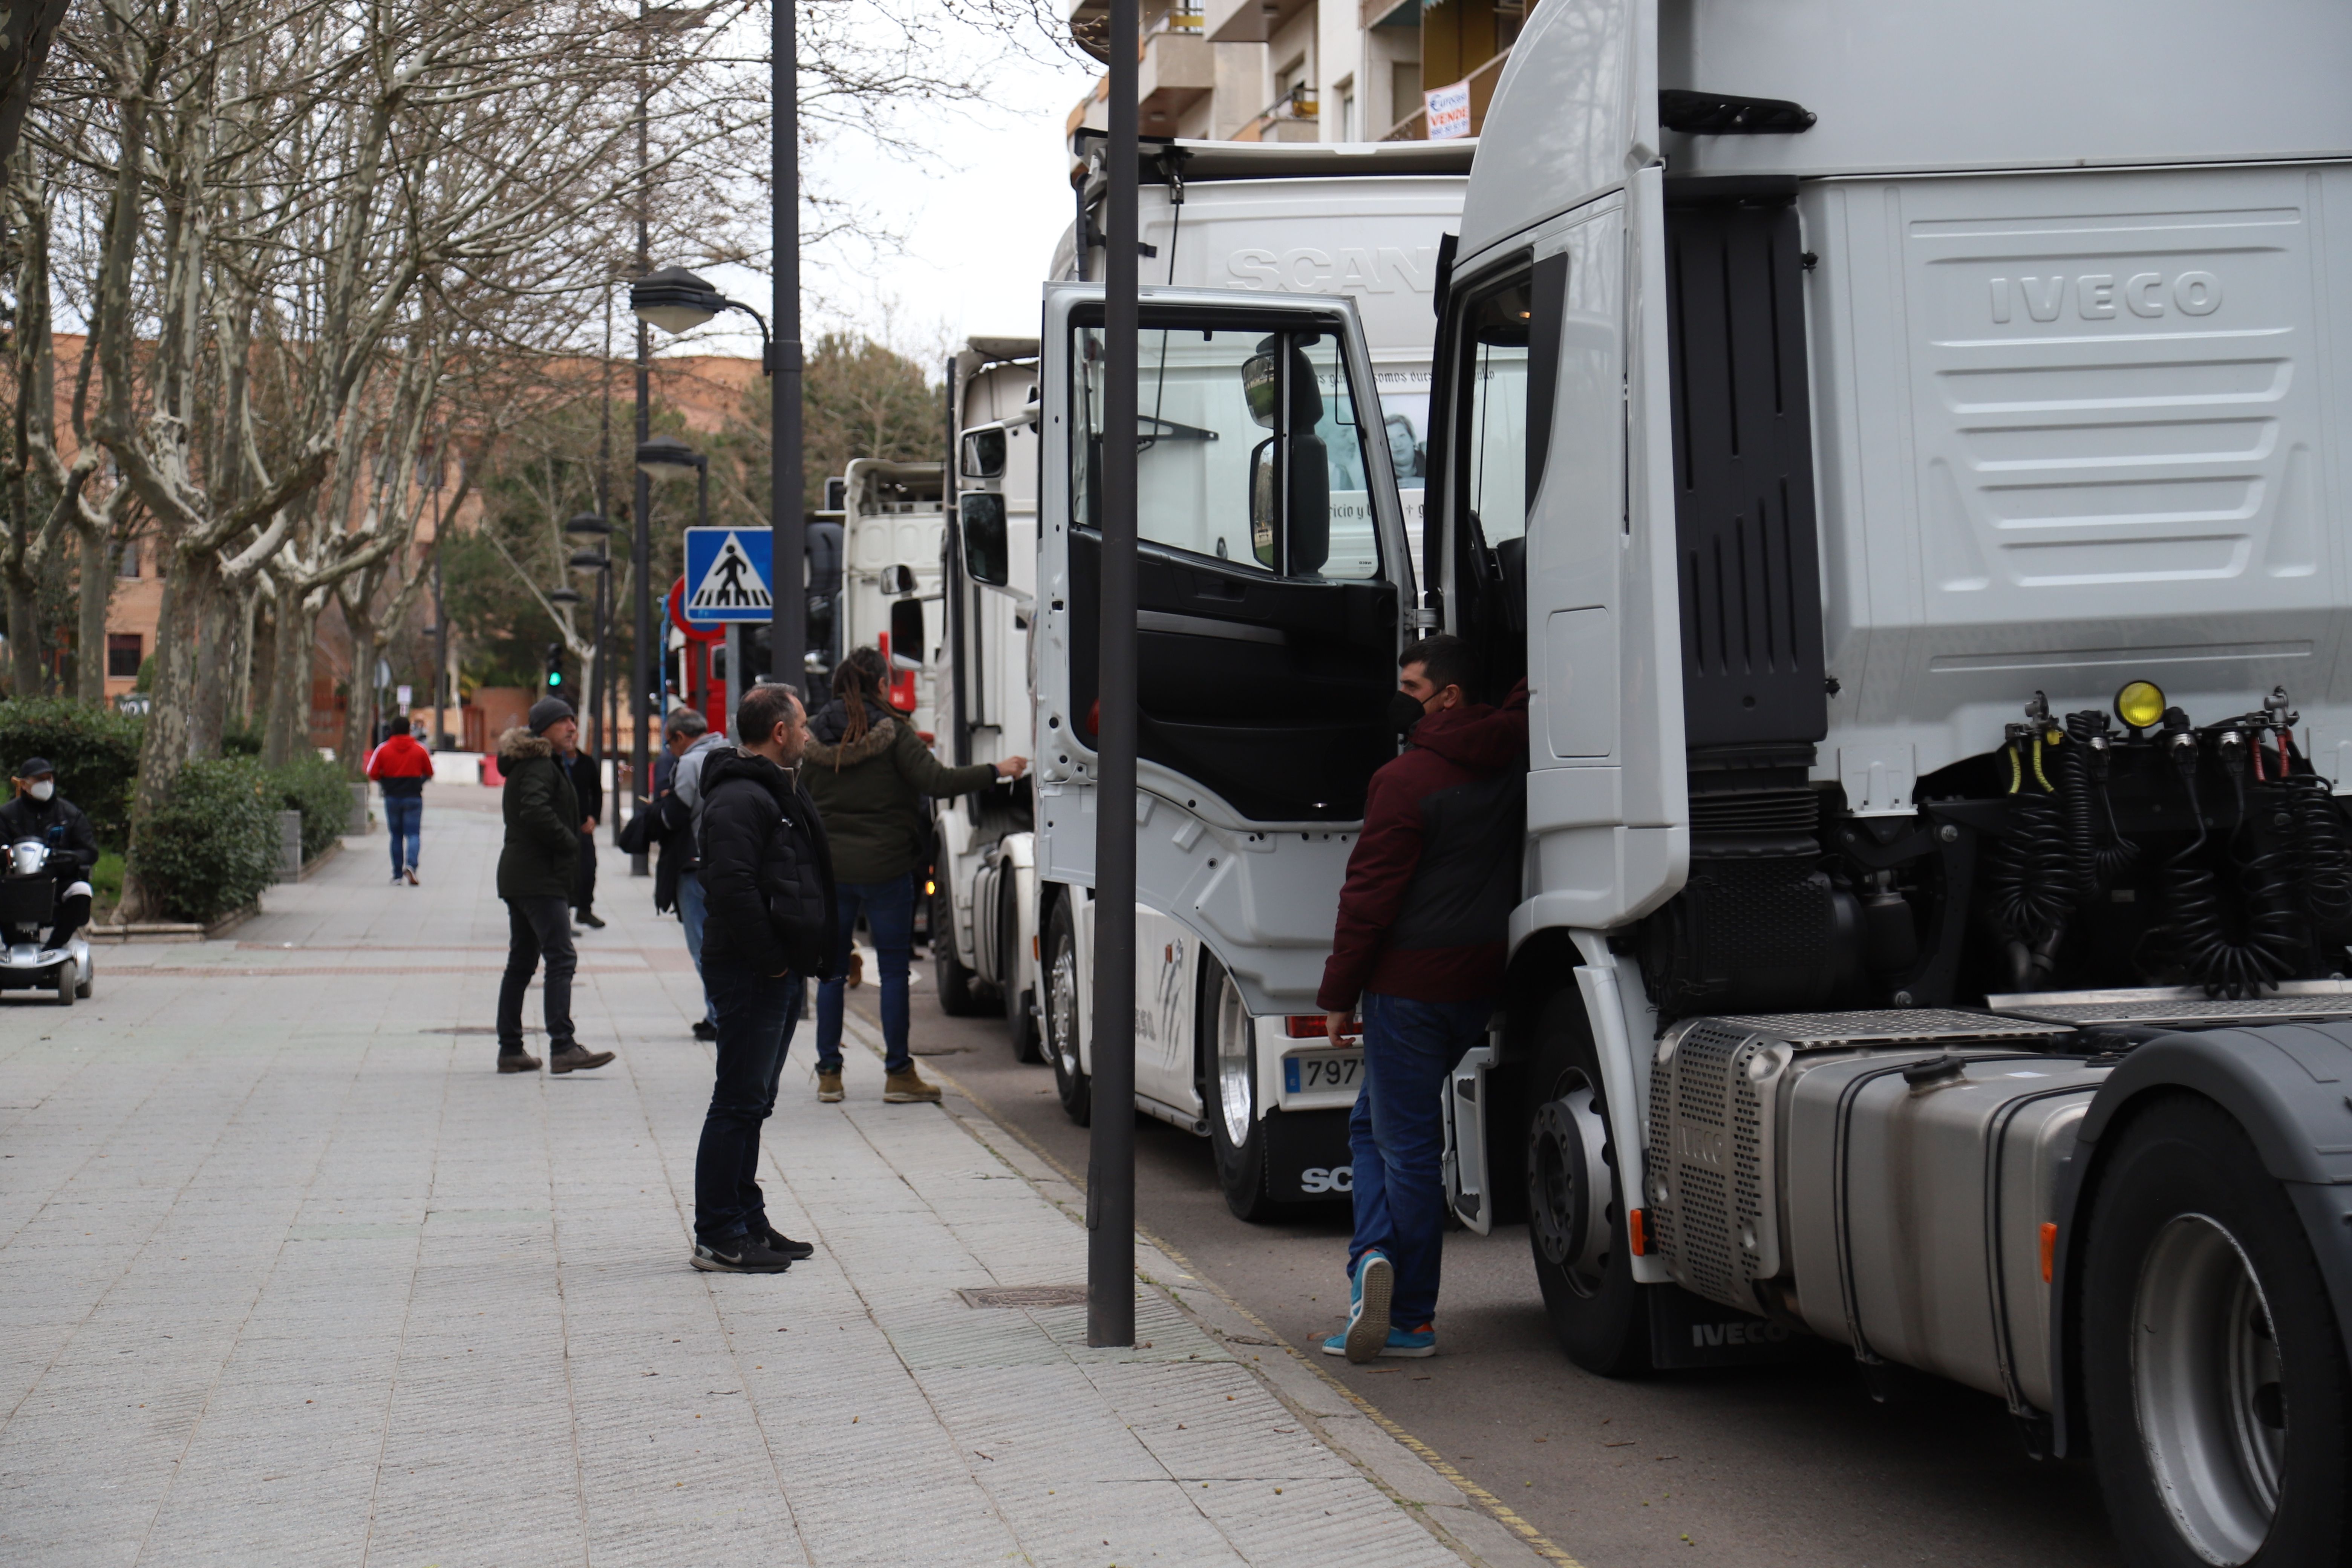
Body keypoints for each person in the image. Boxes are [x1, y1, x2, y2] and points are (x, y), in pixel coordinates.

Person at [1317, 634, 1526, 1363]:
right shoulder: (1514, 756)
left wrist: (1339, 992)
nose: (1400, 696)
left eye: (1412, 685)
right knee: (1375, 1126)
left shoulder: (1405, 781)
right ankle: (1371, 1260)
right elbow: (1527, 698)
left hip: (1407, 990)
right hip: (1477, 982)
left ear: (1448, 698)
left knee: (1403, 1147)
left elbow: (1368, 897)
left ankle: (1404, 1309)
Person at [801, 646, 1026, 1105]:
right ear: (881, 685)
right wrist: (996, 771)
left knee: (830, 975)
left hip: (833, 872)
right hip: (886, 870)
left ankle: (829, 1074)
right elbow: (937, 782)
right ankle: (898, 1074)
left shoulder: (813, 739)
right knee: (894, 972)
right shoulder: (895, 733)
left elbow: (800, 798)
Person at [690, 683, 835, 1273]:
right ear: (779, 732)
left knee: (756, 1101)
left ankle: (746, 1218)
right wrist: (772, 956)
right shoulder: (740, 799)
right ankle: (718, 1234)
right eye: (800, 726)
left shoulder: (773, 790)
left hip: (774, 969)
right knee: (737, 1100)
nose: (806, 735)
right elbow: (731, 889)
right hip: (752, 971)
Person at [493, 698, 616, 1076]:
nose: (572, 727)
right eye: (562, 721)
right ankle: (563, 1045)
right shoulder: (538, 765)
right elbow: (535, 810)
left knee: (523, 961)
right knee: (560, 957)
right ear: (543, 729)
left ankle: (511, 1049)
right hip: (538, 877)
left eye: (572, 720)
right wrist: (569, 840)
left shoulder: (537, 763)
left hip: (525, 875)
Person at [669, 706, 733, 1041]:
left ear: (680, 737)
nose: (670, 750)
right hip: (729, 863)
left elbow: (676, 814)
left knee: (702, 946)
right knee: (725, 944)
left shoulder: (690, 763)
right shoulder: (730, 752)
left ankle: (718, 1014)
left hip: (694, 864)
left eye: (670, 743)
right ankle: (722, 1012)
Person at [1, 758, 98, 948]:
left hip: (58, 882)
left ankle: (54, 947)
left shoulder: (70, 814)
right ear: (24, 784)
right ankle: (13, 946)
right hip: (14, 883)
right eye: (39, 780)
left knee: (81, 891)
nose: (46, 784)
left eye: (49, 779)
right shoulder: (7, 815)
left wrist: (68, 859)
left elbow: (90, 851)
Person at [365, 724, 434, 885]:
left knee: (396, 836)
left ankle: (397, 875)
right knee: (413, 834)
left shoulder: (383, 749)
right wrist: (419, 783)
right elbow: (429, 772)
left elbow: (373, 773)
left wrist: (386, 784)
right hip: (414, 797)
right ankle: (411, 866)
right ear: (409, 731)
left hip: (393, 798)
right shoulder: (420, 749)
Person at [556, 724, 604, 929]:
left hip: (583, 825)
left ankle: (585, 910)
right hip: (561, 824)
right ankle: (563, 915)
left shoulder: (586, 763)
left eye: (574, 733)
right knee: (565, 870)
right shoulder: (556, 763)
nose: (572, 737)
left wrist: (594, 817)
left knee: (588, 867)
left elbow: (597, 792)